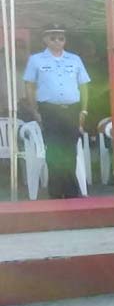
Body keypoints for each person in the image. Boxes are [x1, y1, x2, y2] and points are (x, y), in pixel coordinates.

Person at [22, 24, 91, 198]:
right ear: (45, 39)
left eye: (61, 38)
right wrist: (34, 110)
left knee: (70, 150)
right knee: (53, 150)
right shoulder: (36, 59)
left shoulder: (74, 59)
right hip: (49, 109)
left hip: (71, 109)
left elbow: (83, 86)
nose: (57, 42)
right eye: (53, 38)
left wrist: (84, 110)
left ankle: (70, 190)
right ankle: (56, 190)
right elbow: (29, 85)